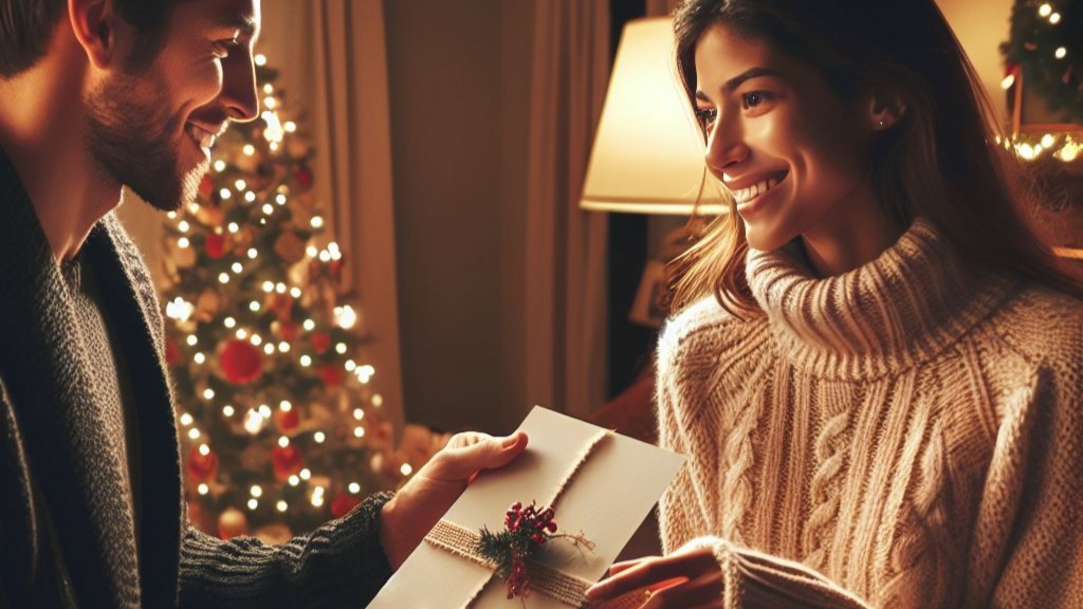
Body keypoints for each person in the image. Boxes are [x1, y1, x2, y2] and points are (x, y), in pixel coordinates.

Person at [0, 0, 528, 607]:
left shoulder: (107, 274)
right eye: (224, 47)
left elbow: (150, 573)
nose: (246, 102)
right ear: (100, 22)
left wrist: (387, 538)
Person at [585, 0, 1083, 607]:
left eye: (756, 100)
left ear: (882, 100)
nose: (718, 153)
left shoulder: (1048, 365)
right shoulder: (702, 352)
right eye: (709, 112)